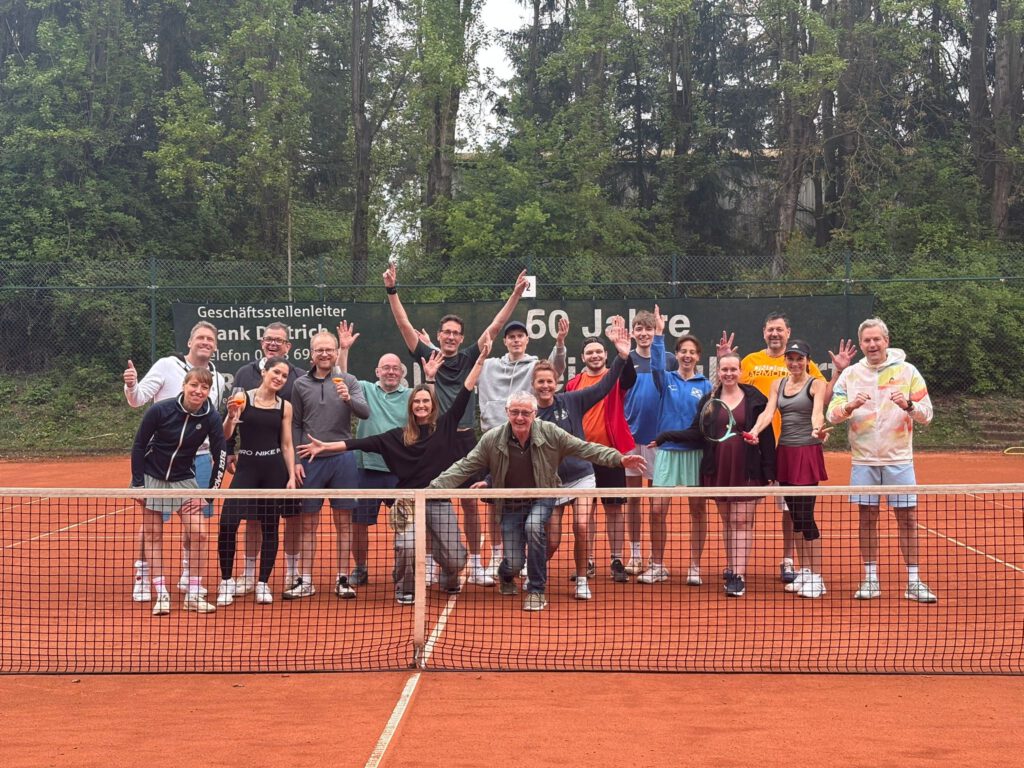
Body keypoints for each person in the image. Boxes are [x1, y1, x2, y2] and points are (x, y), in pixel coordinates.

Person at [298, 342, 489, 605]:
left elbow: (466, 389)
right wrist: (324, 446)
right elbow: (356, 443)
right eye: (417, 402)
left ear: (432, 405)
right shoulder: (396, 437)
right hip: (407, 502)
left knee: (456, 557)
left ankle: (449, 573)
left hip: (438, 500)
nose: (421, 405)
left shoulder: (445, 426)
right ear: (410, 407)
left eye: (425, 401)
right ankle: (404, 586)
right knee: (407, 545)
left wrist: (479, 361)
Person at [429, 391, 648, 612]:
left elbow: (585, 448)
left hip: (542, 497)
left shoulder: (550, 432)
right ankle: (506, 575)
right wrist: (433, 488)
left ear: (535, 414)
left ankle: (536, 590)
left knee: (534, 527)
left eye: (525, 413)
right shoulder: (492, 438)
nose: (520, 418)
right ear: (507, 413)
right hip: (511, 502)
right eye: (515, 412)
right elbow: (465, 465)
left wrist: (619, 459)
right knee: (514, 562)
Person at [384, 262, 528, 584]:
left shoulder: (468, 357)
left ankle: (475, 563)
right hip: (434, 442)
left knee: (471, 504)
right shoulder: (427, 356)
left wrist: (516, 294)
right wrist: (392, 289)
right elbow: (403, 324)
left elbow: (496, 325)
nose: (450, 337)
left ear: (461, 338)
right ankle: (432, 562)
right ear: (438, 336)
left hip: (465, 441)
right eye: (446, 332)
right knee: (432, 501)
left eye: (455, 333)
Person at [719, 312, 854, 584]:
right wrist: (754, 431)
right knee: (749, 510)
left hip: (801, 450)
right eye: (770, 329)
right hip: (767, 450)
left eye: (779, 329)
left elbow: (820, 403)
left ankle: (795, 564)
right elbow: (750, 401)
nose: (775, 334)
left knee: (796, 514)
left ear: (788, 333)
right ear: (764, 332)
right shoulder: (754, 365)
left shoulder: (812, 376)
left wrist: (817, 426)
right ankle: (738, 566)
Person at [826, 318, 937, 603]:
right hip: (863, 461)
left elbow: (927, 415)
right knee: (867, 519)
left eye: (877, 339)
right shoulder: (850, 375)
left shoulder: (908, 372)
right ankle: (871, 579)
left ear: (886, 341)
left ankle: (914, 581)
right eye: (867, 340)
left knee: (908, 519)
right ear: (861, 344)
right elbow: (831, 414)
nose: (872, 344)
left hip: (899, 459)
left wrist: (909, 405)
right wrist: (849, 406)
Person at [654, 351, 776, 597]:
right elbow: (696, 432)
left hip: (747, 468)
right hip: (719, 467)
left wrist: (769, 469)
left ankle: (738, 576)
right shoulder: (709, 401)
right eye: (724, 370)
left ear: (740, 371)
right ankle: (731, 567)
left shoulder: (754, 398)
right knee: (728, 520)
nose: (729, 374)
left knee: (741, 520)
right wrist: (665, 436)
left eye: (733, 369)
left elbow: (767, 435)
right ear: (718, 372)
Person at [123, 320, 227, 601]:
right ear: (190, 342)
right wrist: (131, 386)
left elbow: (212, 424)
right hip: (157, 461)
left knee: (196, 524)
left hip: (196, 461)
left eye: (210, 339)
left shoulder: (217, 378)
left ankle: (188, 575)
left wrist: (210, 493)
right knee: (152, 526)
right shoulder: (166, 365)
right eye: (201, 337)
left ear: (215, 347)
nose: (205, 342)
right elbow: (137, 399)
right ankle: (143, 576)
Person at [531, 320, 633, 599]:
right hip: (553, 482)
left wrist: (622, 357)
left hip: (582, 474)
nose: (546, 386)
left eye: (549, 381)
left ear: (556, 383)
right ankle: (533, 569)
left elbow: (604, 387)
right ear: (534, 385)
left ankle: (582, 580)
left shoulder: (571, 400)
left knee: (581, 525)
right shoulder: (529, 414)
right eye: (540, 382)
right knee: (552, 539)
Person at [477, 316, 569, 582]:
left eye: (520, 336)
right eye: (511, 337)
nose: (516, 340)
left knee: (529, 506)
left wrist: (560, 343)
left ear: (527, 340)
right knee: (494, 503)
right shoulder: (489, 365)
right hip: (493, 441)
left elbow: (555, 369)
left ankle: (526, 559)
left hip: (524, 441)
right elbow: (460, 364)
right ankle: (498, 555)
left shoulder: (533, 365)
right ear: (505, 341)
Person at [287, 331, 369, 600]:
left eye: (329, 349)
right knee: (308, 523)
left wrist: (348, 398)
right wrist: (296, 461)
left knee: (344, 523)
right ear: (311, 354)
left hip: (342, 458)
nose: (324, 354)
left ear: (336, 352)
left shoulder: (349, 381)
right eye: (319, 350)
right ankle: (305, 580)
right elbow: (296, 424)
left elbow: (364, 413)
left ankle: (342, 579)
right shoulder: (299, 384)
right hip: (310, 460)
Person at [746, 340, 830, 598]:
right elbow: (768, 413)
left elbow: (817, 412)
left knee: (806, 515)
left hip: (806, 453)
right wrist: (754, 430)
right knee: (795, 516)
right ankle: (804, 571)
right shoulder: (778, 384)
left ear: (807, 360)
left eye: (799, 358)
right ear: (786, 361)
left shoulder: (816, 383)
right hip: (784, 453)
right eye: (790, 358)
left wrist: (816, 428)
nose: (795, 363)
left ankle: (817, 577)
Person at [225, 322, 302, 596]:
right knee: (242, 521)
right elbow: (230, 423)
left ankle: (281, 577)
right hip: (248, 465)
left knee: (280, 523)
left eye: (279, 340)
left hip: (277, 467)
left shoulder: (296, 382)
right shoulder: (242, 379)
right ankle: (242, 577)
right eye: (269, 338)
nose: (273, 343)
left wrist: (293, 471)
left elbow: (291, 436)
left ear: (287, 346)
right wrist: (229, 447)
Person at [335, 320, 410, 588]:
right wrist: (344, 349)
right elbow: (341, 378)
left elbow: (432, 406)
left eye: (395, 368)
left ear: (401, 373)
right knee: (359, 523)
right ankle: (361, 567)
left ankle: (402, 570)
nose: (390, 371)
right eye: (385, 367)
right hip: (365, 468)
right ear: (377, 371)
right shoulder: (365, 388)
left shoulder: (412, 395)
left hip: (400, 470)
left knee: (405, 524)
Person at [564, 323, 637, 582]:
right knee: (587, 510)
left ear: (606, 355)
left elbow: (629, 379)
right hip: (582, 456)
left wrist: (624, 355)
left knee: (614, 508)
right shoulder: (573, 384)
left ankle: (616, 559)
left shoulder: (615, 378)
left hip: (611, 454)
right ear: (582, 357)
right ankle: (588, 559)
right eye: (590, 352)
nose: (594, 356)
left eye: (599, 352)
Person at [647, 306, 713, 586]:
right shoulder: (666, 379)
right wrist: (659, 335)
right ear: (677, 355)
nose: (687, 355)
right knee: (656, 511)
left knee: (698, 510)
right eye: (683, 351)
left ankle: (695, 567)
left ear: (698, 357)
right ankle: (657, 565)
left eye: (692, 352)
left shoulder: (706, 385)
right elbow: (655, 365)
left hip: (695, 454)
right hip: (667, 454)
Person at [622, 310, 679, 575]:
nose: (644, 333)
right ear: (633, 332)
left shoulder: (668, 359)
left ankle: (657, 562)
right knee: (633, 500)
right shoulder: (626, 359)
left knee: (657, 508)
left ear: (655, 332)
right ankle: (635, 555)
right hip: (630, 440)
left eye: (649, 329)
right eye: (639, 329)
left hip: (659, 442)